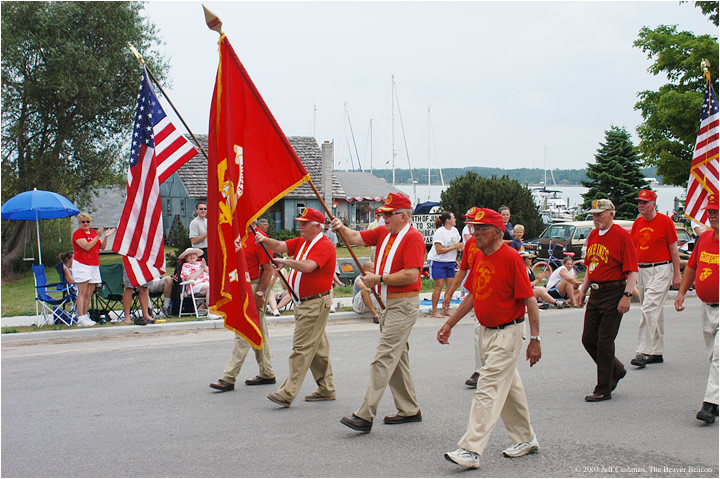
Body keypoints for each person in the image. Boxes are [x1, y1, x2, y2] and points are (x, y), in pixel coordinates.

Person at [437, 208, 541, 469]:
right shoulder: (480, 255)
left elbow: (529, 298)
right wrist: (450, 323)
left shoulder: (511, 258)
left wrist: (535, 339)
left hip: (508, 333)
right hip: (486, 332)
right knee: (509, 390)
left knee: (487, 389)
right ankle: (526, 439)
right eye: (472, 228)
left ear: (497, 232)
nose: (474, 234)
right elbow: (473, 293)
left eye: (480, 229)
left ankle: (470, 449)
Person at [333, 192, 425, 433]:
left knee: (383, 357)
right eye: (383, 213)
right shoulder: (384, 232)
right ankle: (409, 409)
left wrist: (380, 278)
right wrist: (341, 227)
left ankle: (364, 414)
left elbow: (412, 275)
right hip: (389, 305)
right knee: (397, 358)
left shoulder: (413, 238)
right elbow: (355, 237)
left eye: (388, 213)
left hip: (402, 305)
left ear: (403, 217)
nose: (383, 216)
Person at [255, 207, 336, 407]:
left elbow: (309, 266)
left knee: (301, 347)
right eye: (300, 222)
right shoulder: (302, 242)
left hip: (315, 303)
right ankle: (326, 388)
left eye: (304, 223)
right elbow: (281, 244)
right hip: (306, 302)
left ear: (317, 226)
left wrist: (286, 261)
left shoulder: (324, 245)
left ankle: (287, 392)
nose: (299, 226)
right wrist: (264, 240)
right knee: (317, 348)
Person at [577, 199, 638, 402]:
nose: (596, 219)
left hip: (614, 291)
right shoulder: (594, 235)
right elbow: (590, 267)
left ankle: (603, 387)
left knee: (604, 341)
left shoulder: (621, 236)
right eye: (594, 215)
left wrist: (627, 296)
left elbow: (632, 270)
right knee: (588, 339)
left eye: (599, 214)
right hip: (596, 293)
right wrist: (582, 290)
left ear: (611, 213)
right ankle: (617, 369)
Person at [210, 222, 277, 392]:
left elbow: (268, 269)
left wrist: (261, 294)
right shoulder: (238, 237)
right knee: (258, 329)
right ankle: (267, 371)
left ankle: (229, 376)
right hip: (242, 285)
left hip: (255, 285)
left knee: (245, 328)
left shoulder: (259, 239)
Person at [674, 194, 719, 424]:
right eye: (710, 211)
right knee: (713, 356)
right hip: (707, 306)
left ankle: (710, 405)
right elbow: (692, 266)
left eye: (716, 211)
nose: (712, 215)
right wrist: (682, 292)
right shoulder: (706, 238)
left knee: (719, 358)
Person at [629, 189, 682, 369]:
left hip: (661, 268)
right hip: (642, 270)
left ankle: (642, 351)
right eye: (639, 202)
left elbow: (674, 249)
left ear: (653, 204)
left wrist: (677, 274)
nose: (641, 205)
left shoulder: (665, 222)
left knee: (649, 307)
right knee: (654, 310)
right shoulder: (637, 223)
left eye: (644, 202)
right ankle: (656, 351)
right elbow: (632, 248)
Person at [443, 206, 482, 387]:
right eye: (469, 222)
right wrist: (449, 292)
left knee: (485, 334)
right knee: (478, 332)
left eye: (473, 222)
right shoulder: (471, 244)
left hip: (487, 296)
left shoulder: (489, 246)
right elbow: (463, 269)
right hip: (474, 294)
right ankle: (480, 370)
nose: (469, 225)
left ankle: (487, 371)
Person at [72, 213, 115, 327]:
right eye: (83, 222)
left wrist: (105, 236)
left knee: (89, 292)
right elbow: (87, 246)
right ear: (79, 223)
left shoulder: (93, 233)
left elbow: (102, 247)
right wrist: (98, 236)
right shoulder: (77, 234)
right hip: (82, 264)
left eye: (88, 222)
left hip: (93, 264)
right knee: (82, 292)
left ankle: (86, 314)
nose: (86, 224)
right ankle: (80, 317)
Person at [427, 211, 463, 318]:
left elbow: (457, 245)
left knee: (450, 286)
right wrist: (454, 247)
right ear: (447, 220)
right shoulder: (440, 232)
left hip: (450, 261)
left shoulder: (455, 231)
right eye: (453, 218)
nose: (455, 220)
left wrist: (460, 247)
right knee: (439, 286)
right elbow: (439, 250)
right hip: (437, 261)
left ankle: (445, 308)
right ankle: (434, 311)